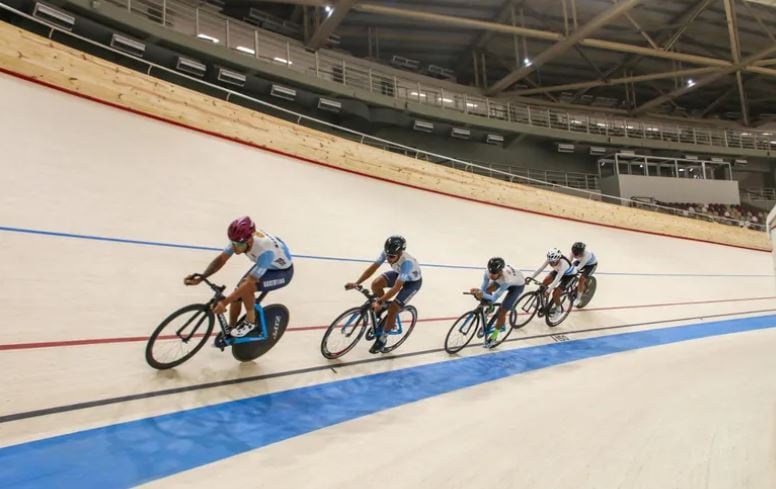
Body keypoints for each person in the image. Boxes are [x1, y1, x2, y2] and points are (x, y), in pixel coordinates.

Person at [184, 216, 293, 342]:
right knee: (238, 291)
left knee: (246, 287)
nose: (235, 248)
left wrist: (224, 303)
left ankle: (250, 322)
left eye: (238, 244)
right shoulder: (239, 240)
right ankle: (231, 328)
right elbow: (221, 259)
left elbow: (249, 284)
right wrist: (202, 277)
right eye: (233, 243)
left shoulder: (265, 251)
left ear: (250, 240)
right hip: (266, 264)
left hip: (281, 272)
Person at [345, 235, 422, 354]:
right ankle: (381, 310)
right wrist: (357, 283)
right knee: (376, 284)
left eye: (392, 256)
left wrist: (380, 301)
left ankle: (382, 339)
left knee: (393, 309)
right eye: (387, 255)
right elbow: (372, 268)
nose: (389, 259)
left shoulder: (407, 263)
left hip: (412, 283)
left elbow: (397, 287)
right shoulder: (387, 253)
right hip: (399, 274)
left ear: (401, 253)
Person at [469, 257, 525, 348]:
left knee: (502, 311)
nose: (492, 275)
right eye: (491, 272)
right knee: (487, 290)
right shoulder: (487, 272)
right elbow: (484, 290)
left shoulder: (507, 279)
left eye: (494, 273)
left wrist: (481, 294)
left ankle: (494, 337)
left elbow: (494, 298)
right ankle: (490, 309)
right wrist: (479, 292)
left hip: (517, 287)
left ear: (500, 271)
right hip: (505, 279)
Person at [529, 248, 577, 322]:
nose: (551, 264)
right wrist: (531, 277)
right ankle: (543, 302)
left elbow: (557, 279)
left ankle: (559, 309)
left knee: (556, 293)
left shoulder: (563, 263)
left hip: (569, 276)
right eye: (550, 262)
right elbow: (541, 268)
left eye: (553, 262)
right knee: (544, 282)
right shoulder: (550, 259)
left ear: (558, 259)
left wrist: (548, 291)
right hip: (558, 271)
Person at [570, 242, 597, 306]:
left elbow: (579, 267)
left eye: (578, 254)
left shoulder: (587, 255)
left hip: (591, 265)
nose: (576, 255)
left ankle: (578, 299)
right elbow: (569, 262)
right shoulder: (572, 252)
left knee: (581, 279)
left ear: (582, 252)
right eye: (575, 254)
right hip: (580, 261)